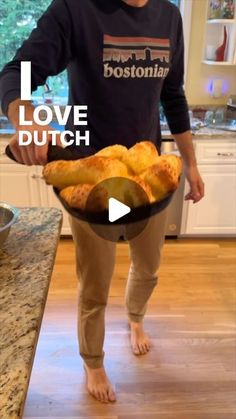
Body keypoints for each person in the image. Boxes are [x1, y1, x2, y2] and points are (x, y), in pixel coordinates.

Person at [0, 0, 204, 404]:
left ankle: (135, 318)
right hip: (92, 181)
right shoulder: (75, 10)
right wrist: (27, 121)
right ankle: (93, 360)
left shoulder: (168, 16)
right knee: (96, 281)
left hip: (146, 179)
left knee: (148, 267)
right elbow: (19, 71)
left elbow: (173, 95)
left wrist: (191, 164)